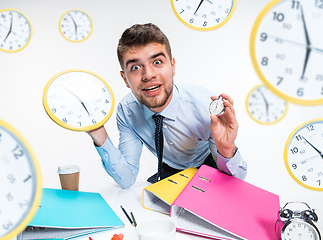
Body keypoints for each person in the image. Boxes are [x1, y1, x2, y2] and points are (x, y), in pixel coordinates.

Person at [87, 23, 247, 189]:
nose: (148, 75)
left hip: (210, 165)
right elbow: (126, 179)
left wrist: (227, 149)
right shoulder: (127, 111)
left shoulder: (204, 107)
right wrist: (97, 132)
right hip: (169, 173)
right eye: (135, 67)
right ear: (125, 79)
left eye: (157, 62)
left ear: (172, 66)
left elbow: (237, 183)